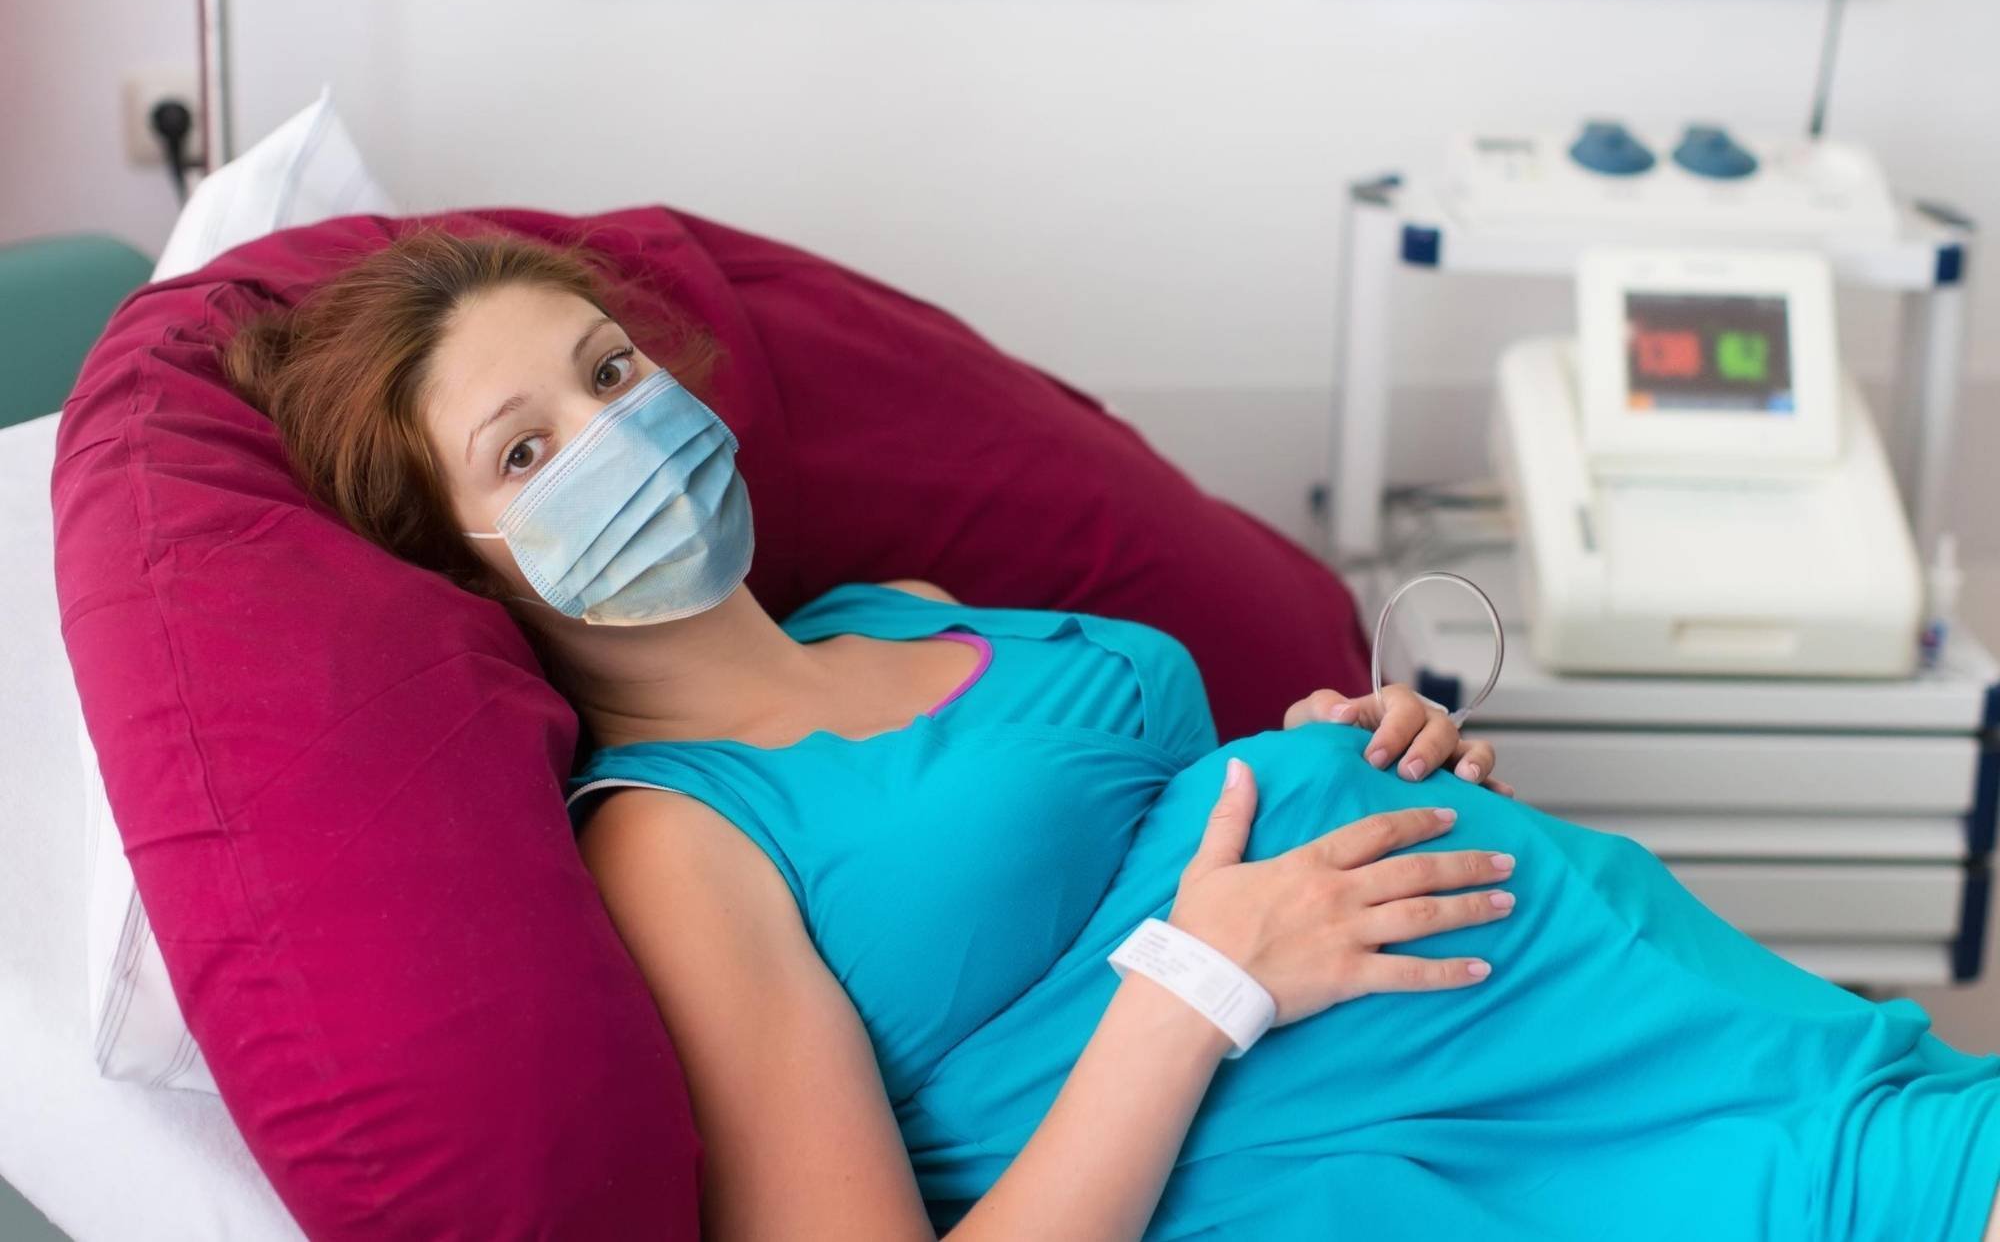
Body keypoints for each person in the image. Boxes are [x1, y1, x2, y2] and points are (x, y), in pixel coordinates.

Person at [222, 227, 2000, 1242]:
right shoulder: (673, 838)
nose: (612, 436)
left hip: (1653, 1027)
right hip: (1493, 1169)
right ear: (461, 559)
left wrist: (1321, 759)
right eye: (525, 452)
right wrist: (1204, 975)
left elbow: (1152, 830)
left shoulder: (896, 605)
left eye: (612, 372)